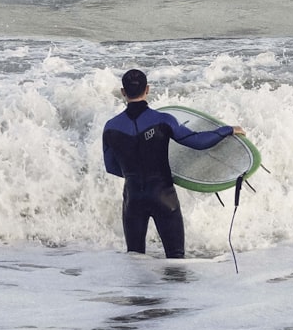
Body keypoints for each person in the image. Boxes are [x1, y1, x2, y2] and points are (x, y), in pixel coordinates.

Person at [102, 69, 244, 259]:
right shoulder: (163, 120)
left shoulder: (110, 127)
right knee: (176, 259)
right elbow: (197, 142)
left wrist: (135, 174)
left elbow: (111, 167)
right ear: (148, 89)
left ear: (123, 92)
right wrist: (227, 130)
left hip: (133, 199)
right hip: (163, 196)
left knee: (135, 261)